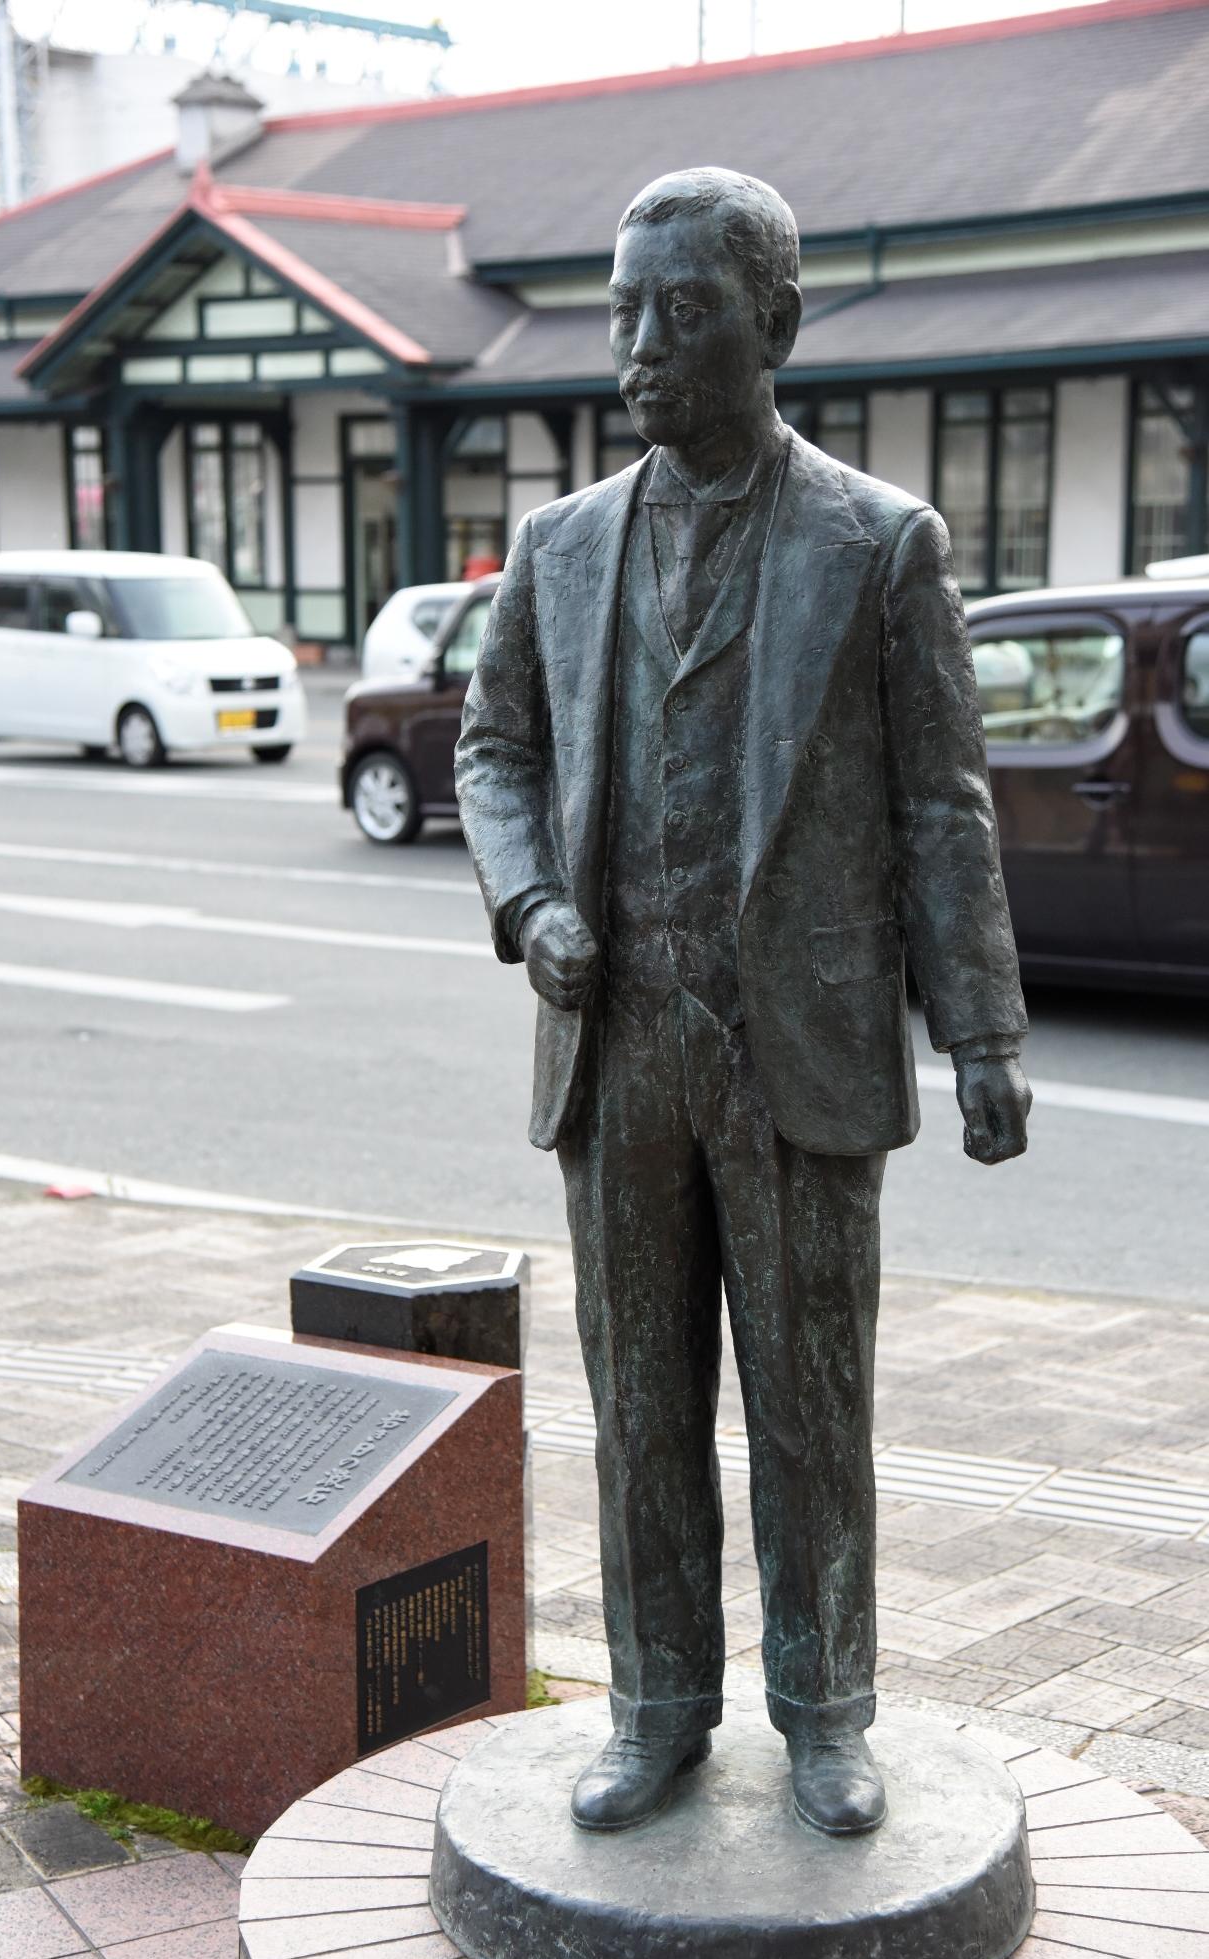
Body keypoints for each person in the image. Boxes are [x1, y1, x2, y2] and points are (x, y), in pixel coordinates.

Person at [455, 168, 1030, 1838]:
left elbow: (943, 803)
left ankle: (826, 1711)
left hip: (797, 1039)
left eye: (679, 310)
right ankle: (654, 1709)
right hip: (615, 1034)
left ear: (770, 326)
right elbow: (495, 751)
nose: (636, 345)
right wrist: (534, 900)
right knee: (638, 1400)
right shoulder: (561, 549)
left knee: (808, 1401)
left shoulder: (875, 541)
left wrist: (980, 1030)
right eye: (622, 310)